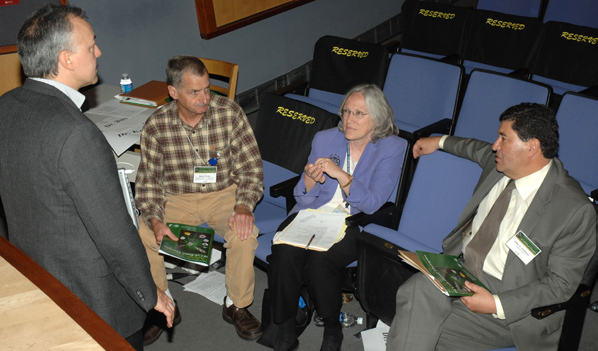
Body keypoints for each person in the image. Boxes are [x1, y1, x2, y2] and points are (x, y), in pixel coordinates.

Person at [0, 4, 174, 350]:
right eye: (91, 45)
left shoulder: (6, 106)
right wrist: (149, 290)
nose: (99, 52)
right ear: (66, 59)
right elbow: (112, 230)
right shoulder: (77, 134)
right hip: (93, 298)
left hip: (38, 277)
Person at [386, 103, 596, 351]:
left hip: (513, 300)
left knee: (422, 327)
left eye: (503, 138)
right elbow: (475, 148)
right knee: (413, 292)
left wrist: (497, 304)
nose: (495, 145)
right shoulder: (500, 165)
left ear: (532, 147)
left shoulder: (574, 210)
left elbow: (560, 285)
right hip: (462, 270)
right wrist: (439, 141)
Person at [135, 55, 264, 343]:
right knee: (144, 234)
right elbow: (149, 182)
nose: (205, 98)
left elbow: (251, 167)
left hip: (223, 193)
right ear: (173, 92)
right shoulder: (157, 125)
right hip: (177, 196)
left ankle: (236, 305)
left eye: (207, 89)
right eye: (194, 92)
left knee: (244, 234)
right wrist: (155, 220)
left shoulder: (229, 113)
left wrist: (244, 206)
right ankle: (163, 302)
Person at [267, 84, 406, 351]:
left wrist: (341, 175)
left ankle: (332, 328)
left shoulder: (392, 147)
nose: (349, 120)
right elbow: (304, 198)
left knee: (319, 262)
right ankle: (284, 328)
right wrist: (308, 180)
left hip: (355, 222)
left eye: (359, 114)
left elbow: (374, 202)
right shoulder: (325, 139)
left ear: (377, 119)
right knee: (283, 253)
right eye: (346, 112)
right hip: (314, 214)